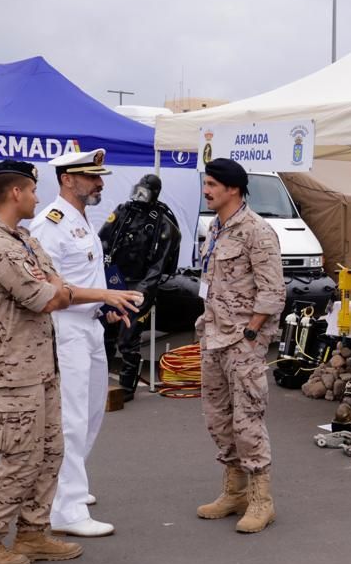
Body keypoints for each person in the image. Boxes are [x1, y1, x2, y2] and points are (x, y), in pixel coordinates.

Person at [0, 159, 141, 564]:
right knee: (21, 457)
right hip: (12, 366)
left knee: (50, 449)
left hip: (40, 360)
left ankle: (33, 532)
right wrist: (84, 294)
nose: (37, 197)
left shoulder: (22, 238)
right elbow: (48, 296)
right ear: (15, 193)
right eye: (31, 190)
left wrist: (70, 292)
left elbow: (58, 282)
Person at [29, 149, 127, 538]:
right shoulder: (49, 225)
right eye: (92, 177)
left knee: (90, 412)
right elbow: (47, 289)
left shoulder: (82, 218)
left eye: (99, 176)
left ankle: (68, 485)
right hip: (65, 328)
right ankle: (65, 509)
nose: (100, 183)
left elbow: (85, 275)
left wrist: (106, 307)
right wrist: (104, 296)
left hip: (89, 325)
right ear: (68, 179)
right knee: (70, 418)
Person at [194, 158, 286, 533]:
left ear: (233, 188)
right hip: (213, 337)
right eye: (206, 184)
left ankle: (262, 500)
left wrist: (251, 333)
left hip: (241, 342)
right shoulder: (215, 228)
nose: (206, 191)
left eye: (212, 185)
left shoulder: (257, 231)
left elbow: (273, 291)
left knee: (247, 420)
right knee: (217, 418)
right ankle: (235, 491)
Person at [98, 172, 182, 400]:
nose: (139, 196)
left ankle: (126, 387)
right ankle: (98, 382)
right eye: (137, 191)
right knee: (105, 333)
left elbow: (158, 265)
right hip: (115, 280)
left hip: (139, 285)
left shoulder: (164, 225)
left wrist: (142, 291)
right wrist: (100, 275)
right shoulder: (122, 212)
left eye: (144, 192)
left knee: (128, 339)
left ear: (154, 194)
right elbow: (102, 241)